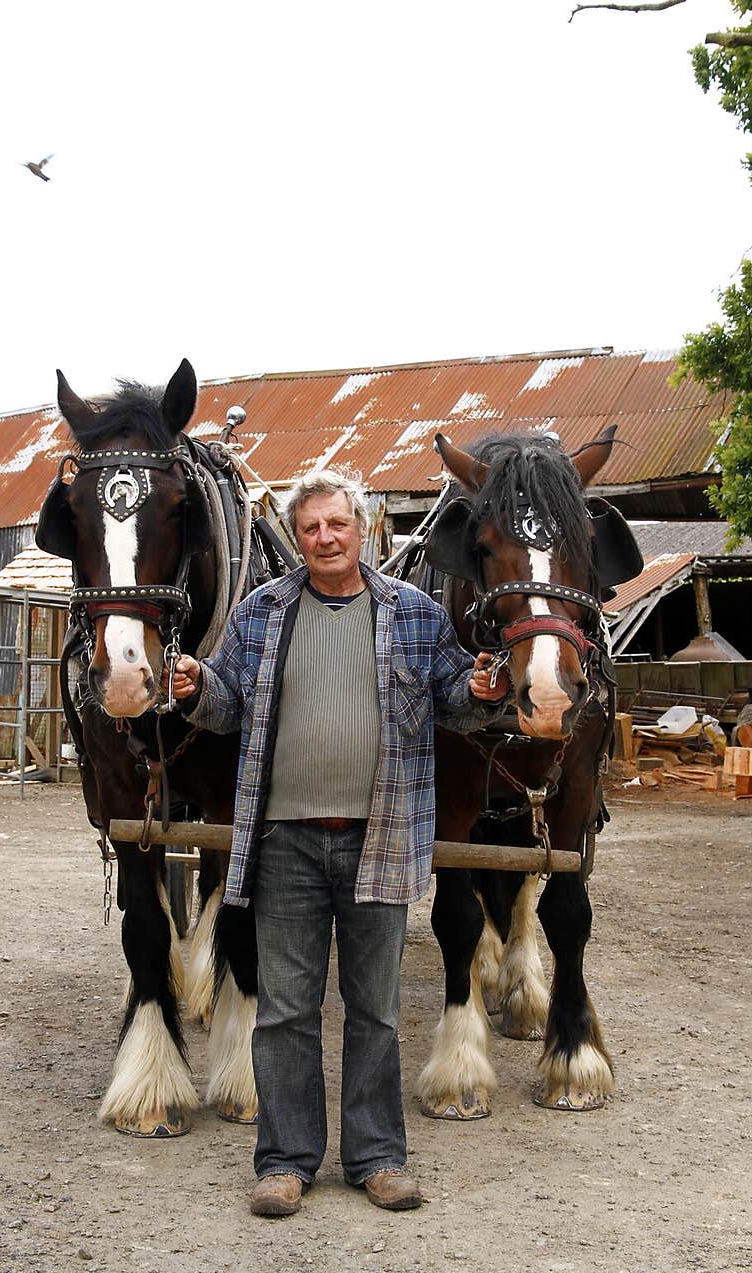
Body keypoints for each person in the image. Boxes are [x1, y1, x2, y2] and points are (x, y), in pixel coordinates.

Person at [170, 465, 509, 1217]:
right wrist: (197, 685)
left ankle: (378, 1158)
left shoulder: (414, 613)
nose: (325, 537)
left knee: (376, 1009)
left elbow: (457, 697)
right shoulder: (262, 613)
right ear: (299, 537)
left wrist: (482, 691)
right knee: (287, 1010)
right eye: (312, 527)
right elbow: (225, 706)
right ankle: (286, 1162)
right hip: (286, 839)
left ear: (364, 530)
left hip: (380, 837)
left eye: (338, 524)